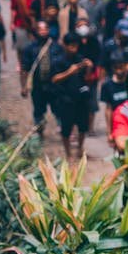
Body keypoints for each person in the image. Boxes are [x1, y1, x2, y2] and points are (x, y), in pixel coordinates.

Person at [50, 32, 94, 161]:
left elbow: (87, 79)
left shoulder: (80, 58)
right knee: (66, 128)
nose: (73, 49)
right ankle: (68, 153)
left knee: (82, 126)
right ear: (65, 45)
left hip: (80, 98)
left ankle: (80, 149)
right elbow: (54, 79)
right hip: (65, 99)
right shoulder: (59, 60)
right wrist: (70, 72)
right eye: (71, 46)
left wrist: (89, 68)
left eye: (75, 46)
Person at [20, 21, 62, 136]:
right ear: (36, 31)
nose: (43, 31)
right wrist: (24, 86)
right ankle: (39, 131)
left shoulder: (57, 47)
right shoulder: (30, 49)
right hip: (38, 85)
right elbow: (25, 69)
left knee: (58, 109)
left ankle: (64, 131)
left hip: (54, 85)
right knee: (38, 110)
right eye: (40, 29)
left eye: (45, 29)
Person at [100, 49, 128, 143]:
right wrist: (109, 131)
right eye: (116, 68)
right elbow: (108, 109)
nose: (119, 71)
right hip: (118, 123)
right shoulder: (107, 85)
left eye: (121, 67)